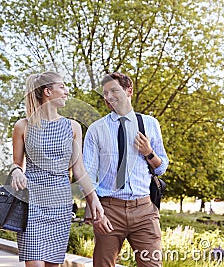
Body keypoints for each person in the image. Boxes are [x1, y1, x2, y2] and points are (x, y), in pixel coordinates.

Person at [10, 71, 105, 267]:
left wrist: (93, 200)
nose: (66, 92)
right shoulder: (23, 126)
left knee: (54, 264)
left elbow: (79, 170)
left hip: (60, 203)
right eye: (62, 87)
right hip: (32, 202)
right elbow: (16, 163)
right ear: (47, 91)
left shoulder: (73, 127)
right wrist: (16, 171)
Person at [83, 72, 169, 267]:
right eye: (105, 93)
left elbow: (161, 167)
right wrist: (97, 212)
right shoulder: (96, 129)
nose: (109, 97)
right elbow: (87, 175)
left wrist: (149, 152)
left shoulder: (149, 124)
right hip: (109, 210)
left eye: (114, 90)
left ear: (128, 91)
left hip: (144, 210)